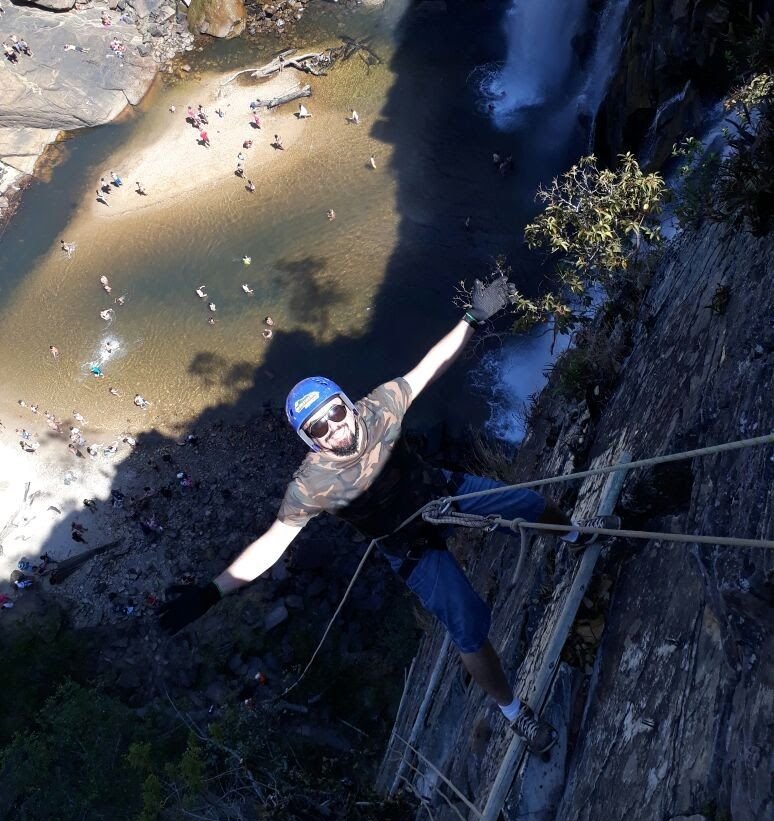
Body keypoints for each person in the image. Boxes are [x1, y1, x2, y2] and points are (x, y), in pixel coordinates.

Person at [157, 278, 617, 753]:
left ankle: (575, 538)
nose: (334, 429)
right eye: (319, 428)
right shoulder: (310, 485)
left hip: (442, 493)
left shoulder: (380, 407)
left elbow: (430, 366)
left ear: (346, 403)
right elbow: (272, 544)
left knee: (530, 504)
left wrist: (472, 318)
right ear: (309, 440)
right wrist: (212, 592)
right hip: (408, 547)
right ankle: (514, 713)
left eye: (335, 414)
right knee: (467, 628)